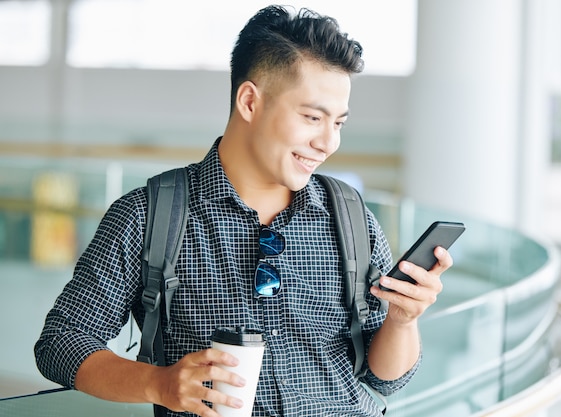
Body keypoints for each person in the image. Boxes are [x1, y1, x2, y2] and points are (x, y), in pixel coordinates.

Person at [35, 5, 452, 417]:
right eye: (312, 117)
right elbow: (61, 341)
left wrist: (401, 319)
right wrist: (157, 384)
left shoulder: (351, 217)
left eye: (338, 123)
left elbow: (385, 380)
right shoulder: (149, 216)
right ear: (250, 102)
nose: (328, 143)